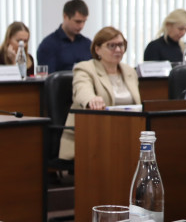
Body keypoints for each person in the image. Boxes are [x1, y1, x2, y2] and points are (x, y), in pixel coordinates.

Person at [58, 26, 140, 160]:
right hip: (93, 136)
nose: (118, 50)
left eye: (121, 45)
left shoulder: (130, 71)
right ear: (97, 49)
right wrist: (92, 99)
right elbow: (82, 89)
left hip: (126, 133)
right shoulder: (85, 68)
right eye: (112, 46)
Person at [36, 0, 92, 73]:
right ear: (65, 16)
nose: (81, 26)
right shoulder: (48, 45)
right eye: (77, 21)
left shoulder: (88, 44)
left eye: (84, 21)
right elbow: (48, 78)